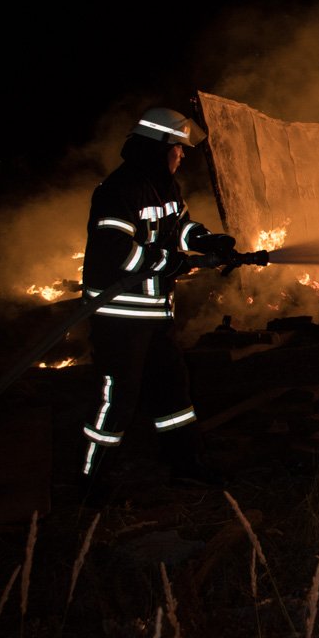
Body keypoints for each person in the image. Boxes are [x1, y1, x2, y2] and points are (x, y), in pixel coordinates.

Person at [79, 107, 235, 490]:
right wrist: (173, 263)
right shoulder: (119, 190)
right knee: (118, 398)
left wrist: (204, 239)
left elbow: (177, 226)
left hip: (155, 315)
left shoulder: (163, 186)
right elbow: (116, 252)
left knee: (173, 393)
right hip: (120, 318)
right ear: (159, 147)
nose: (182, 156)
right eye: (178, 148)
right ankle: (91, 479)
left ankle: (184, 462)